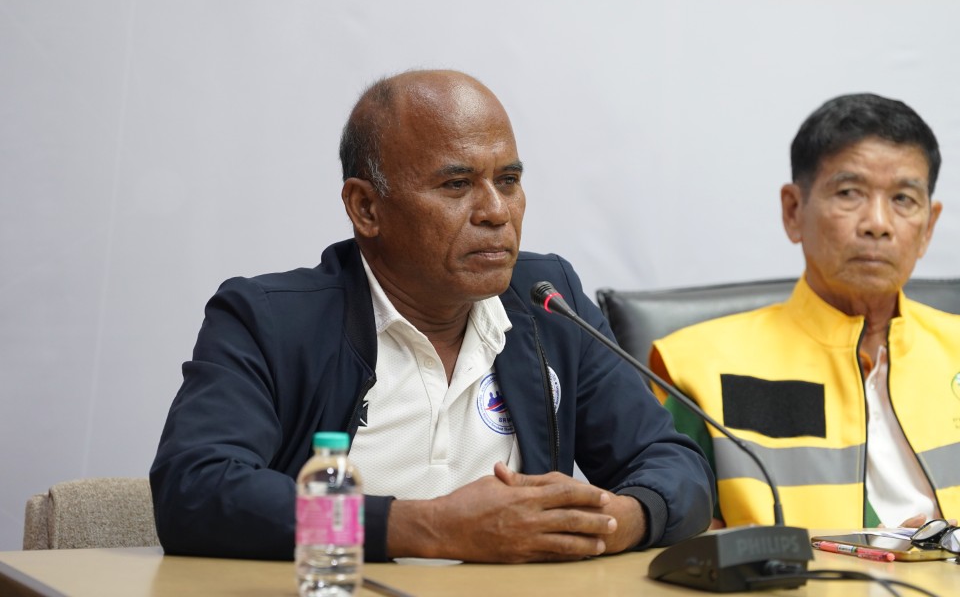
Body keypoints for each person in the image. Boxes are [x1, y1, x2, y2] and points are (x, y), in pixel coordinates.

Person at [151, 69, 714, 562]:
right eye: (457, 185)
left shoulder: (548, 301)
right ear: (366, 208)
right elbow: (195, 491)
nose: (496, 212)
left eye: (509, 181)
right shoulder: (270, 321)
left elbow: (673, 466)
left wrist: (616, 523)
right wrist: (428, 528)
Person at [650, 93, 960, 531]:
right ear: (793, 211)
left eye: (903, 199)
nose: (877, 223)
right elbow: (678, 538)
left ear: (928, 227)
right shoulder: (700, 369)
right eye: (850, 193)